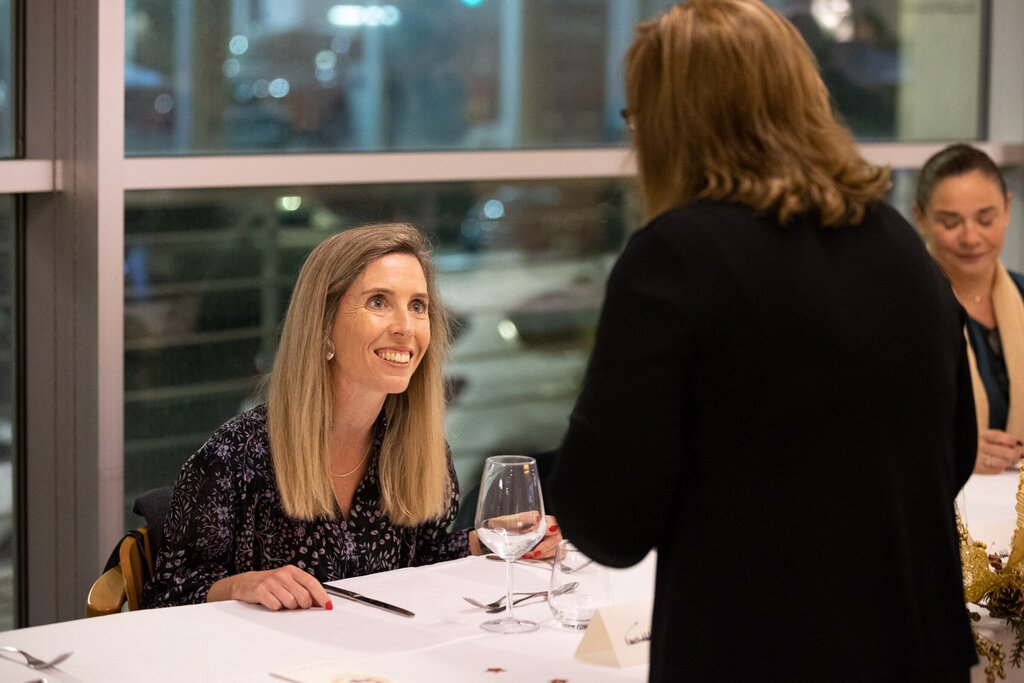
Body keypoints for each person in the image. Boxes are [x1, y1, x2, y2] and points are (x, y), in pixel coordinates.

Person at [546, 2, 977, 680]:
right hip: (913, 649)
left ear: (675, 125)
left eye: (641, 119)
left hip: (759, 651)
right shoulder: (901, 248)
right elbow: (952, 456)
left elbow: (610, 520)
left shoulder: (677, 257)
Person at [143, 223, 561, 610]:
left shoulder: (416, 448)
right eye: (379, 302)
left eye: (418, 306)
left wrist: (488, 542)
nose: (406, 327)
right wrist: (241, 586)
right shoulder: (237, 454)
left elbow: (420, 558)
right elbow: (164, 597)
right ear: (324, 324)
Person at [914, 144, 1024, 474]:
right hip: (943, 496)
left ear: (1007, 210)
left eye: (985, 219)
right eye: (951, 223)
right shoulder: (900, 313)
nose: (970, 237)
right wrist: (954, 452)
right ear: (921, 218)